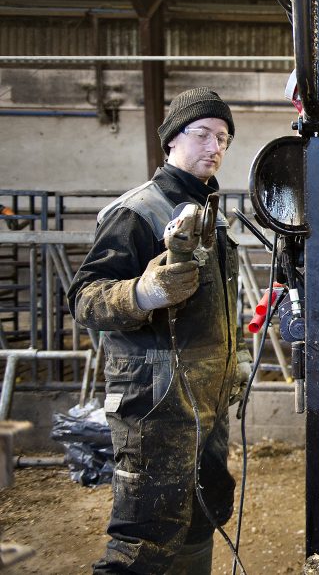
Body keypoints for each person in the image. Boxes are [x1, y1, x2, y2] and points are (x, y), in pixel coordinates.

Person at [68, 87, 252, 574]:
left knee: (202, 514)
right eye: (205, 134)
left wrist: (232, 361)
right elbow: (84, 299)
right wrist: (141, 294)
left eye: (225, 139)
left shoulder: (211, 216)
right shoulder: (137, 212)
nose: (216, 147)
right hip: (154, 404)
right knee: (144, 539)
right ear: (173, 138)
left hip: (206, 402)